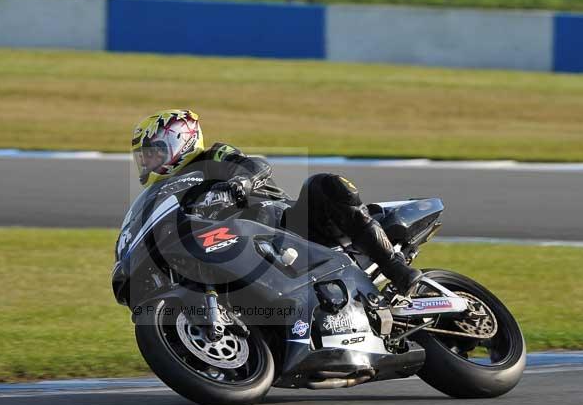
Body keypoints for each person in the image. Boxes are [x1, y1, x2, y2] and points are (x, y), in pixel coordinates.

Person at [131, 109, 421, 294]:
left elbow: (255, 165)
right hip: (234, 250)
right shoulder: (167, 191)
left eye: (154, 152)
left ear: (180, 140)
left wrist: (238, 184)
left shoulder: (212, 157)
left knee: (323, 184)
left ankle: (395, 266)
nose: (148, 161)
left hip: (283, 225)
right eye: (144, 157)